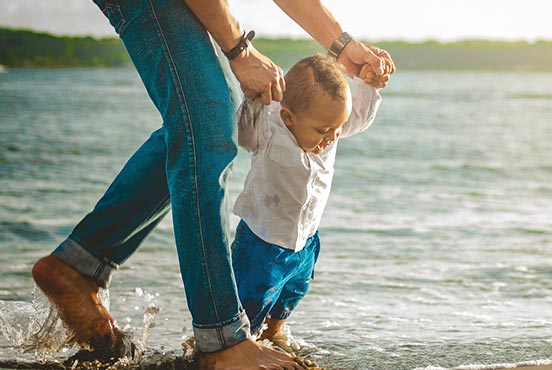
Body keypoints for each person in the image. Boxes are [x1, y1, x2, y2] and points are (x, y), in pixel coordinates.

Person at [30, 0, 395, 369]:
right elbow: (246, 125)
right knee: (209, 119)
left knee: (204, 122)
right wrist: (240, 50)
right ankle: (220, 339)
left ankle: (79, 264)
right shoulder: (277, 124)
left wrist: (343, 46)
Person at [228, 54, 386, 361]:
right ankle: (239, 347)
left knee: (293, 291)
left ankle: (275, 332)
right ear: (289, 118)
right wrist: (252, 97)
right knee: (250, 302)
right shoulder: (270, 126)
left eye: (337, 129)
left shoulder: (329, 123)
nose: (331, 138)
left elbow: (359, 116)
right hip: (263, 240)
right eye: (324, 131)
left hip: (306, 238)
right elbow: (242, 132)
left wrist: (368, 83)